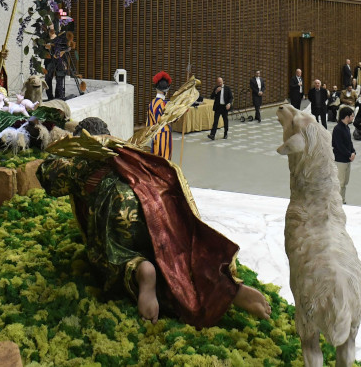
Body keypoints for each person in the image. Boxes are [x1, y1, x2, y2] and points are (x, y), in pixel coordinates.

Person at [37, 118, 272, 326]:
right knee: (176, 253)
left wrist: (62, 151)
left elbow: (47, 175)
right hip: (153, 199)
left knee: (112, 253)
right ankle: (225, 288)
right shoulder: (127, 149)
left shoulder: (84, 158)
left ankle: (139, 269)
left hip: (117, 204)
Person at [332, 106, 356, 200]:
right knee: (340, 182)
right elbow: (339, 145)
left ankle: (342, 199)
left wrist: (353, 152)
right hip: (340, 160)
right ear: (347, 117)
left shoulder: (347, 128)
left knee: (345, 182)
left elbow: (349, 142)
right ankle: (337, 202)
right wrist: (349, 154)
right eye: (352, 116)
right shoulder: (337, 129)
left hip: (347, 159)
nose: (353, 118)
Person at [147, 71, 173, 159]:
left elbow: (148, 123)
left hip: (154, 135)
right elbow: (173, 119)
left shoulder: (151, 103)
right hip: (164, 134)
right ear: (166, 91)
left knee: (156, 160)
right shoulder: (164, 104)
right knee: (165, 161)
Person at [43, 23, 70, 99]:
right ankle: (50, 97)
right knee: (48, 78)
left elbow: (68, 47)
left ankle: (59, 96)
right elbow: (41, 49)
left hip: (59, 61)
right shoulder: (45, 37)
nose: (52, 30)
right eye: (51, 28)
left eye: (53, 28)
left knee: (59, 78)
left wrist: (62, 52)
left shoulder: (62, 36)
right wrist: (46, 48)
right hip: (49, 61)